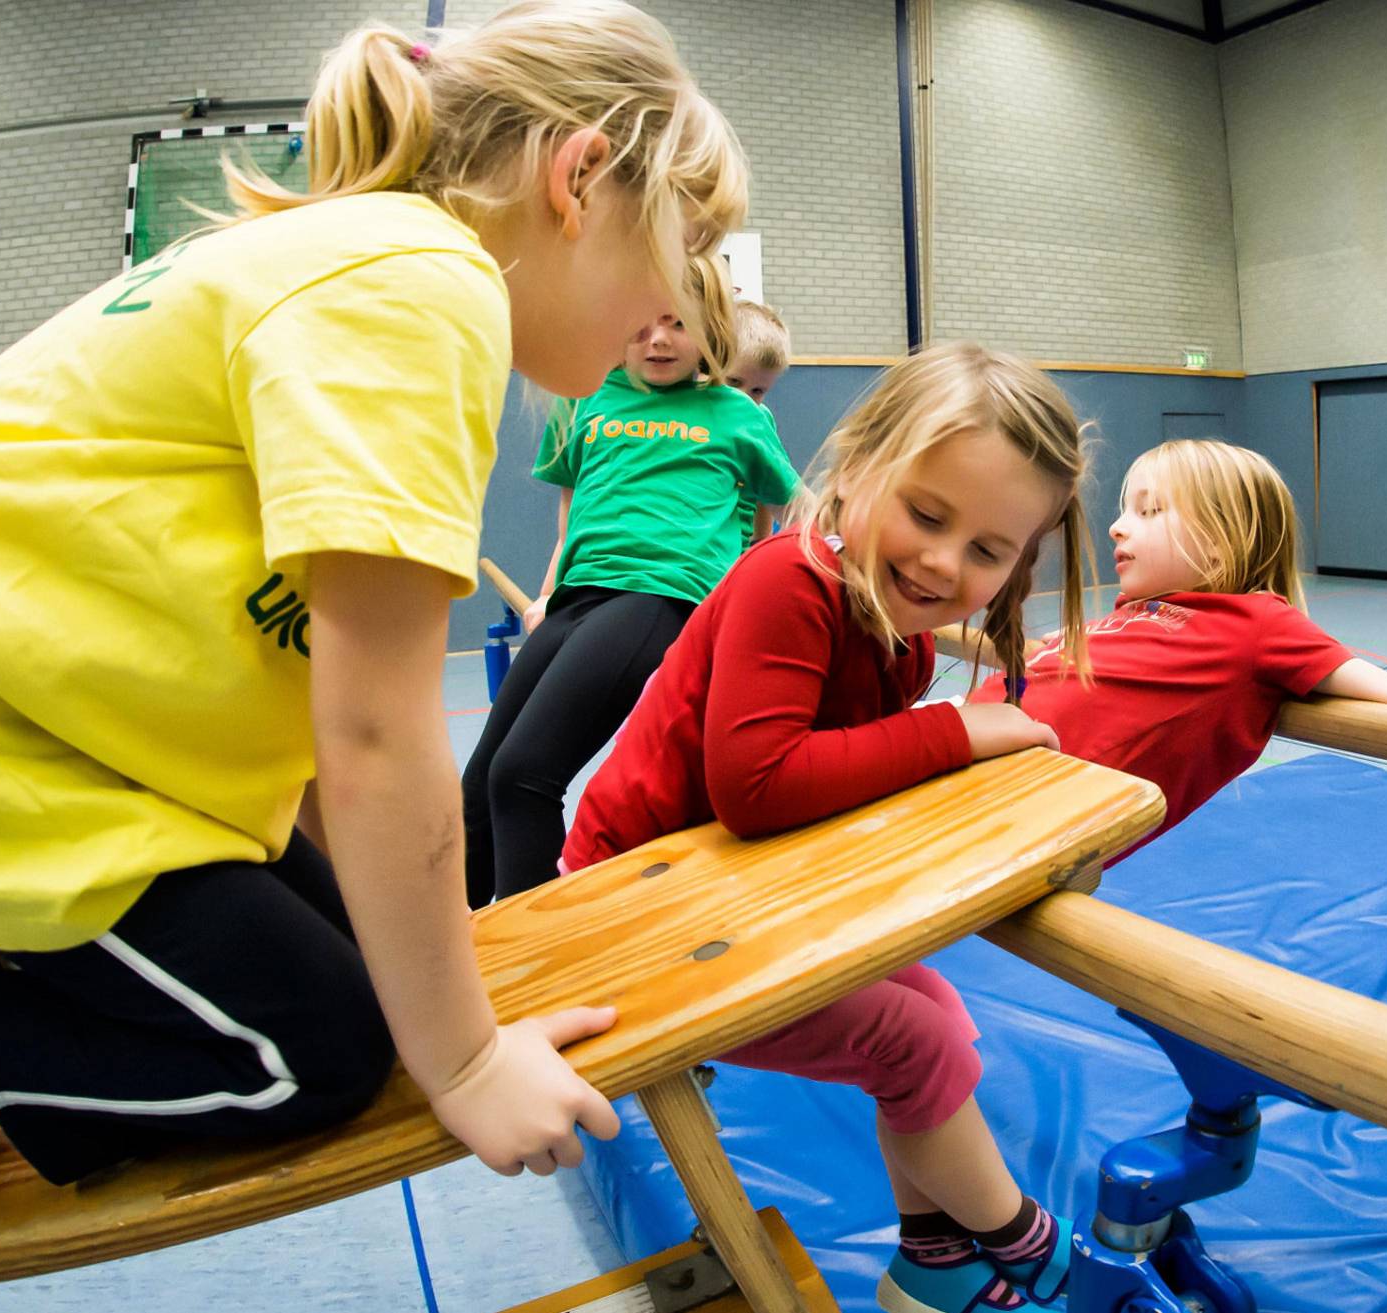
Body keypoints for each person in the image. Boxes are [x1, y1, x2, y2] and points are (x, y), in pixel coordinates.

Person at [0, 2, 748, 1213]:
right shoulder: (423, 287)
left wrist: (433, 984)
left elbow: (305, 707)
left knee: (367, 962)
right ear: (581, 177)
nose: (676, 303)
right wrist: (461, 1055)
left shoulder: (372, 254)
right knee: (314, 1050)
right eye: (685, 244)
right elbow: (376, 730)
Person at [561, 342, 1093, 1313]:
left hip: (721, 891)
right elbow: (759, 787)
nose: (942, 560)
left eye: (987, 549)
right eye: (927, 514)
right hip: (627, 910)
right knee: (915, 1044)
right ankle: (1035, 1245)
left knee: (941, 1015)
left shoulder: (899, 629)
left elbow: (840, 788)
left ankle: (932, 1251)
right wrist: (952, 730)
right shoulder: (789, 582)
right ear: (854, 469)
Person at [977, 439, 1387, 847]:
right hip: (961, 740)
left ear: (1224, 536)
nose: (1117, 527)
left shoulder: (1257, 624)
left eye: (1148, 511)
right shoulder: (1134, 610)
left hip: (1008, 800)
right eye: (1125, 509)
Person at [464, 254, 800, 908]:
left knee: (523, 775)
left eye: (678, 323)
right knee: (478, 785)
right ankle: (469, 944)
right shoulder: (587, 398)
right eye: (643, 324)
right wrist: (546, 588)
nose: (659, 339)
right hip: (578, 594)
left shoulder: (734, 413)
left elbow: (773, 509)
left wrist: (749, 595)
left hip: (660, 595)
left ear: (708, 331)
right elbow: (573, 507)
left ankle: (534, 958)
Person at [725, 299, 794, 545]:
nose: (743, 398)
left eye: (757, 390)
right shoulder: (695, 411)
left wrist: (761, 542)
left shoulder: (759, 417)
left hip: (739, 548)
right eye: (733, 382)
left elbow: (770, 486)